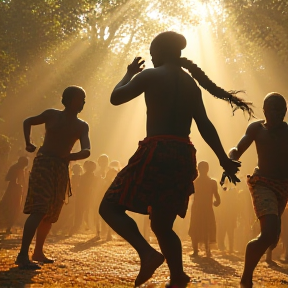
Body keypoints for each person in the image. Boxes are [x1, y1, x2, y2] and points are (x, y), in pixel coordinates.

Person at [99, 31, 251, 287]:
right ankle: (178, 277)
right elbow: (204, 125)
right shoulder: (190, 83)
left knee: (109, 207)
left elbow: (116, 98)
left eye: (151, 53)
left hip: (156, 150)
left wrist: (129, 73)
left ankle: (147, 253)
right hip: (183, 155)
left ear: (159, 52)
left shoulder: (150, 75)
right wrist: (223, 158)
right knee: (162, 225)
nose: (150, 57)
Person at [15, 85, 91, 269]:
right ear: (68, 99)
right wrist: (28, 142)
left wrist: (70, 157)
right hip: (44, 164)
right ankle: (23, 255)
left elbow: (87, 150)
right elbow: (28, 121)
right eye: (79, 98)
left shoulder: (82, 126)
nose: (82, 102)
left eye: (83, 99)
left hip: (61, 168)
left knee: (50, 213)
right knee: (39, 208)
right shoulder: (51, 114)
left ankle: (38, 251)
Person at [228, 92, 288, 288]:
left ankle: (265, 239)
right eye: (273, 109)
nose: (278, 113)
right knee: (269, 233)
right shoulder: (256, 128)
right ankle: (246, 277)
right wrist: (231, 158)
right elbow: (237, 148)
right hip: (262, 183)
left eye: (282, 110)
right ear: (264, 110)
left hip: (283, 186)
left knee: (272, 236)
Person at [188, 161, 220, 258]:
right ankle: (205, 249)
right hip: (205, 209)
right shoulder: (211, 182)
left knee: (197, 228)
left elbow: (188, 194)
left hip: (198, 208)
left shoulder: (195, 182)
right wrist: (216, 202)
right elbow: (217, 199)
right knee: (205, 228)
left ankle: (197, 250)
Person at [0, 156, 29, 234]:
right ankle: (8, 227)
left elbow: (8, 178)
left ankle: (8, 226)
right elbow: (18, 180)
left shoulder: (14, 167)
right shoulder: (18, 169)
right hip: (14, 191)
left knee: (8, 207)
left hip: (12, 189)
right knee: (14, 208)